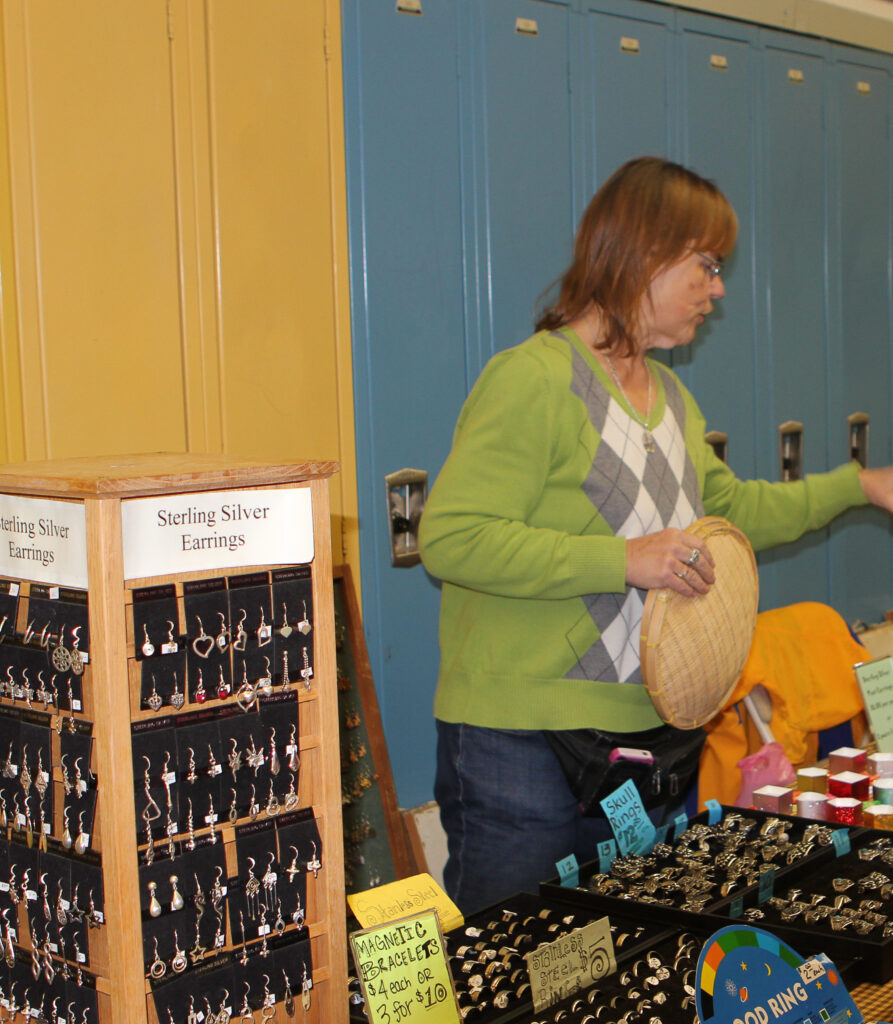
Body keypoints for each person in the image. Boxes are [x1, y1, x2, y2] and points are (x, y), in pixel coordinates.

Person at [418, 156, 893, 915]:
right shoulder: (534, 380)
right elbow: (452, 537)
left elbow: (732, 513)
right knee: (515, 954)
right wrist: (623, 560)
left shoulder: (671, 397)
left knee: (626, 951)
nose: (717, 289)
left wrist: (859, 486)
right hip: (521, 743)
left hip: (644, 744)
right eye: (706, 265)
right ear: (643, 254)